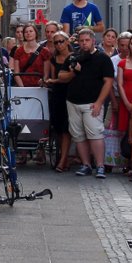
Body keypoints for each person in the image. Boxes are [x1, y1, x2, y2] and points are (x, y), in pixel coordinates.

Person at [58, 28, 114, 178]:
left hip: (92, 104)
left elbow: (108, 82)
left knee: (95, 134)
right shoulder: (73, 57)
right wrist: (74, 71)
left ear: (93, 41)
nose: (84, 43)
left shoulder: (103, 58)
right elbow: (61, 76)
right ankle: (86, 165)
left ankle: (100, 166)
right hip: (73, 102)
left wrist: (99, 102)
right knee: (78, 136)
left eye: (87, 40)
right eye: (81, 41)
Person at [43, 31, 73, 172]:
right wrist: (49, 81)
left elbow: (71, 78)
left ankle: (63, 160)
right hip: (57, 94)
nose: (59, 44)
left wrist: (56, 80)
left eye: (61, 41)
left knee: (67, 129)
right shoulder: (54, 58)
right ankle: (62, 156)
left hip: (71, 94)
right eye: (56, 42)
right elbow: (54, 78)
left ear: (67, 41)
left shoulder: (74, 57)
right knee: (59, 129)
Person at [105, 31, 131, 171]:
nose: (126, 48)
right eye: (122, 45)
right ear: (118, 45)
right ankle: (108, 161)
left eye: (128, 45)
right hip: (115, 97)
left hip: (131, 99)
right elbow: (109, 83)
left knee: (127, 131)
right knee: (108, 128)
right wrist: (114, 101)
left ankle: (126, 162)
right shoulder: (113, 60)